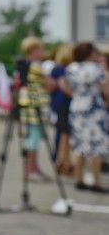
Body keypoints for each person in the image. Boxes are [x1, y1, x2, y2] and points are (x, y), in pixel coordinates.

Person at [58, 42, 109, 193]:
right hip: (93, 108)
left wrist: (77, 96)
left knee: (78, 145)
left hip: (77, 107)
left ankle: (78, 179)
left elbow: (65, 85)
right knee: (95, 146)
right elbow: (106, 90)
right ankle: (96, 182)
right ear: (89, 54)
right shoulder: (96, 69)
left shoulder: (72, 68)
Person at [17, 36, 55, 182]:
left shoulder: (27, 65)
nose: (42, 51)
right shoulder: (36, 66)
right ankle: (32, 170)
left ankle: (33, 168)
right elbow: (51, 85)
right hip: (36, 105)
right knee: (33, 138)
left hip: (29, 104)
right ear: (33, 50)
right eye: (40, 48)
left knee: (32, 138)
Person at [49, 44, 73, 175]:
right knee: (65, 134)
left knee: (62, 133)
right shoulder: (63, 70)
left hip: (58, 103)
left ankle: (61, 161)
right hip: (65, 104)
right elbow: (64, 87)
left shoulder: (55, 69)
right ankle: (62, 162)